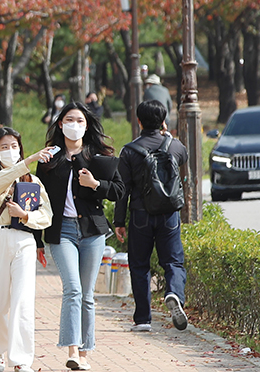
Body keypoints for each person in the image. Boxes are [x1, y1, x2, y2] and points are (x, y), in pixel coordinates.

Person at [36, 102, 124, 371]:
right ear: (60, 124)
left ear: (87, 126)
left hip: (92, 232)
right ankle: (72, 350)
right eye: (70, 119)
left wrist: (95, 184)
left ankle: (85, 352)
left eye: (80, 120)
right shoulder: (49, 159)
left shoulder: (98, 157)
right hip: (61, 231)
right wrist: (38, 240)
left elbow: (119, 190)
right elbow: (39, 201)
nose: (75, 124)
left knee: (87, 293)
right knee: (72, 289)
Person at [0, 127, 54, 372]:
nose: (10, 151)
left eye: (14, 147)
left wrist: (25, 216)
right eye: (4, 147)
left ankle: (20, 359)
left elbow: (46, 215)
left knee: (23, 301)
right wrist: (29, 161)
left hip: (24, 241)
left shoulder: (32, 181)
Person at [113, 100, 189, 332]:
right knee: (173, 261)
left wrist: (119, 221)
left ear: (138, 121)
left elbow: (122, 190)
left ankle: (143, 319)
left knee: (139, 265)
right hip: (168, 215)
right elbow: (182, 172)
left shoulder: (129, 151)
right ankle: (174, 293)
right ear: (164, 120)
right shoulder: (176, 147)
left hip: (140, 215)